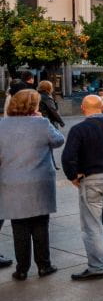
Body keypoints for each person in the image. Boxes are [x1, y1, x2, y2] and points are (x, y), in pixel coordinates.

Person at [61, 94, 103, 280]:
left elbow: (68, 157)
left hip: (92, 179)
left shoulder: (79, 129)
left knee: (92, 225)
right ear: (102, 107)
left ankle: (97, 266)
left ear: (83, 108)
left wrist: (73, 176)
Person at [0, 89, 65, 280]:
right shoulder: (41, 123)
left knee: (18, 226)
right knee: (40, 225)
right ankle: (44, 265)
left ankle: (22, 269)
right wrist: (40, 119)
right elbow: (58, 140)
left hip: (11, 182)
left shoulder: (2, 125)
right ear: (33, 106)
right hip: (39, 182)